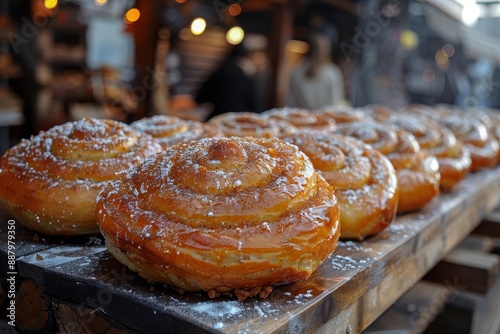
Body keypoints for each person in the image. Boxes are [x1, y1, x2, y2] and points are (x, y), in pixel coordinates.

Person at [195, 43, 257, 120]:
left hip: (218, 119)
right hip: (241, 122)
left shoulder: (219, 74)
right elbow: (255, 106)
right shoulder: (247, 79)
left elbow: (200, 97)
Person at [287, 33, 345, 110]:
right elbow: (336, 105)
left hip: (302, 119)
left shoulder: (296, 72)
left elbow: (291, 105)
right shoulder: (333, 73)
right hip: (325, 120)